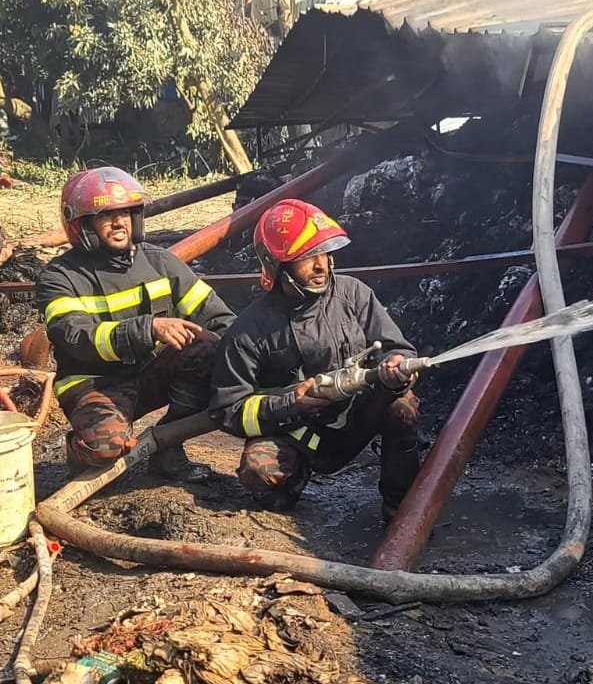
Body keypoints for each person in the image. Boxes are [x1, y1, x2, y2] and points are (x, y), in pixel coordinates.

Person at [208, 199, 421, 521]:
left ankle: (400, 507)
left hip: (355, 419)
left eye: (324, 252)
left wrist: (396, 364)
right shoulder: (250, 330)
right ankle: (292, 481)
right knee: (259, 474)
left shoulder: (353, 295)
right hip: (295, 433)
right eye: (308, 257)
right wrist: (289, 405)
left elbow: (397, 347)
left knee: (402, 406)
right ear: (277, 266)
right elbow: (228, 409)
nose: (322, 265)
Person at [35, 167, 236, 480]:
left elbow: (218, 318)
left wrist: (254, 352)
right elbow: (76, 337)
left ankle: (169, 448)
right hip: (96, 384)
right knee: (105, 448)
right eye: (106, 215)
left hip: (150, 374)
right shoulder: (59, 277)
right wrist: (148, 329)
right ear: (82, 225)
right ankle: (82, 452)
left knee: (211, 349)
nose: (119, 223)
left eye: (126, 213)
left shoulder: (161, 262)